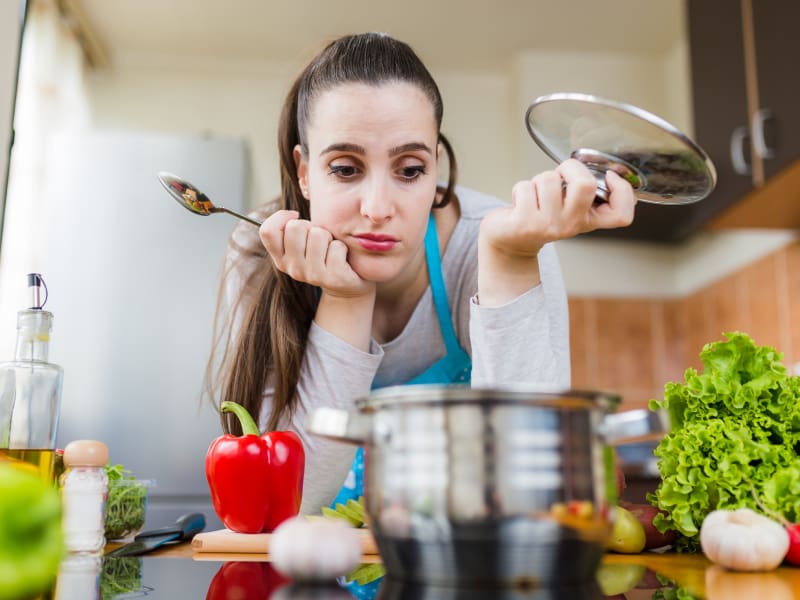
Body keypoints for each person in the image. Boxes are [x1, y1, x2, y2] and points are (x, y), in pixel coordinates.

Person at [207, 32, 635, 516]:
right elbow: (286, 508)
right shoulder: (257, 251)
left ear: (436, 168)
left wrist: (510, 261)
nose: (377, 209)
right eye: (346, 168)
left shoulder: (499, 242)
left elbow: (538, 494)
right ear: (303, 172)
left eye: (409, 169)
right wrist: (346, 300)